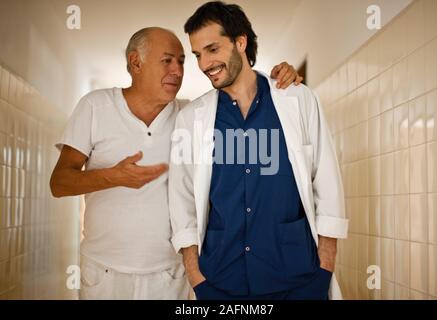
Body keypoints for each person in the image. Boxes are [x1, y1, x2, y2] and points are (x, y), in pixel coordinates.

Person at [49, 26, 302, 299]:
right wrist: (115, 176)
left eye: (182, 61)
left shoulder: (192, 116)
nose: (178, 71)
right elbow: (59, 183)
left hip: (170, 273)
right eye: (167, 60)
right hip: (104, 271)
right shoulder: (95, 106)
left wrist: (279, 82)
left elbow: (245, 95)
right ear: (136, 62)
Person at [169, 1, 348, 300]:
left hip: (298, 279)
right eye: (198, 55)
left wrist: (324, 270)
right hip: (220, 281)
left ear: (240, 42)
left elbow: (327, 182)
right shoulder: (191, 119)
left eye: (213, 49)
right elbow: (182, 200)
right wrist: (196, 276)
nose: (203, 64)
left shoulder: (298, 100)